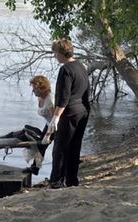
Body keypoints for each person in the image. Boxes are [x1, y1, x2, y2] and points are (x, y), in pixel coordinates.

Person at [48, 39, 90, 189]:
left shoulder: (66, 69)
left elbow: (63, 97)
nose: (54, 56)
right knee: (74, 146)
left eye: (55, 53)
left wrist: (56, 117)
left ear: (61, 53)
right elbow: (87, 92)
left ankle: (56, 181)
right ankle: (72, 179)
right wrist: (86, 110)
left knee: (60, 147)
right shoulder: (81, 66)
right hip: (82, 110)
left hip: (69, 112)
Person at [22, 75, 55, 175]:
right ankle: (35, 168)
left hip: (56, 126)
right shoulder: (40, 98)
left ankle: (36, 168)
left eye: (34, 88)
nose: (33, 91)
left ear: (41, 88)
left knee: (44, 146)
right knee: (40, 145)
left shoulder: (50, 100)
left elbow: (55, 119)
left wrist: (49, 134)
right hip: (48, 123)